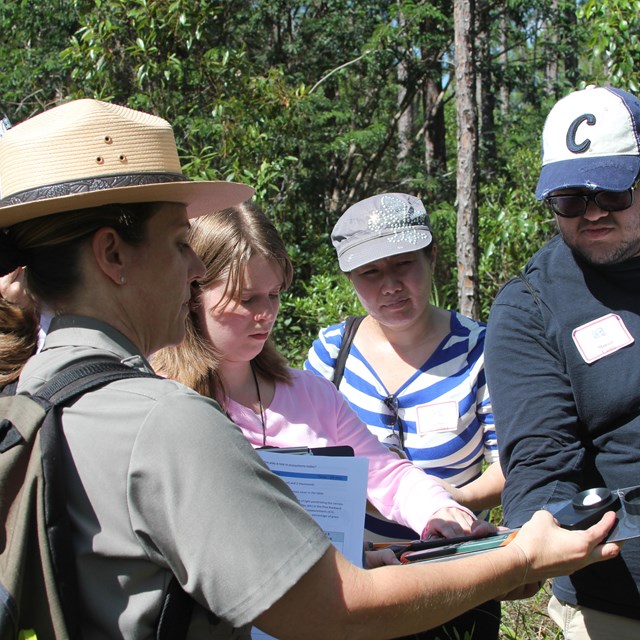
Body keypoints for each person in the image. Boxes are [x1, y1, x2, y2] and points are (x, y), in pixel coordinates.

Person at [0, 97, 622, 640]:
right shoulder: (165, 422)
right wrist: (519, 561)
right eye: (177, 243)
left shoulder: (30, 399)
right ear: (112, 254)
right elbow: (337, 609)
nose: (191, 272)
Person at [152, 201, 492, 545]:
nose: (266, 313)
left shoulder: (311, 394)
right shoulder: (160, 399)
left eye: (273, 295)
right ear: (191, 291)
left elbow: (384, 473)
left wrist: (439, 510)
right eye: (247, 298)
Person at [303, 192, 504, 638]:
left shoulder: (480, 350)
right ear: (350, 278)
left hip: (458, 572)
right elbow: (306, 465)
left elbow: (509, 464)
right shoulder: (330, 354)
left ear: (432, 256)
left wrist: (440, 508)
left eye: (402, 264)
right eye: (369, 273)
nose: (389, 285)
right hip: (359, 577)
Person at [484, 85, 640, 639]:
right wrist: (537, 532)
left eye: (613, 193)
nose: (592, 212)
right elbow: (539, 456)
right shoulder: (530, 306)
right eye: (570, 198)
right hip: (621, 604)